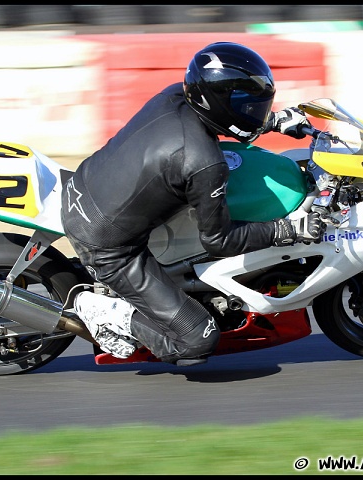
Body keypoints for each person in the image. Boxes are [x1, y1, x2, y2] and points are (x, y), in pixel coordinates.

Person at [61, 41, 324, 366]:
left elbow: (223, 120)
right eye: (246, 105)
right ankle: (106, 312)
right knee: (195, 342)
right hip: (109, 247)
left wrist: (270, 122)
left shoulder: (177, 94)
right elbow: (220, 240)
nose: (253, 111)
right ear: (216, 102)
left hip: (85, 184)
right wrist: (288, 230)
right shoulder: (202, 163)